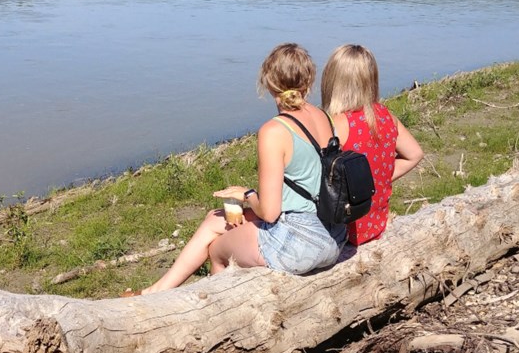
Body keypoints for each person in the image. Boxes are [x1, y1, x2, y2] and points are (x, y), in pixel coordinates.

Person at [133, 43, 340, 296]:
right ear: (309, 81)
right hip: (330, 233)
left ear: (268, 82)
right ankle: (154, 291)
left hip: (298, 242)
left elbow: (271, 212)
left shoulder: (274, 131)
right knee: (214, 219)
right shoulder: (322, 117)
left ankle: (213, 310)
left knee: (218, 249)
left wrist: (247, 194)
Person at [320, 44, 424, 246]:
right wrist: (380, 178)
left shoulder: (334, 124)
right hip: (376, 225)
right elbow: (415, 154)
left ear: (331, 80)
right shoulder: (385, 116)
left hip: (343, 231)